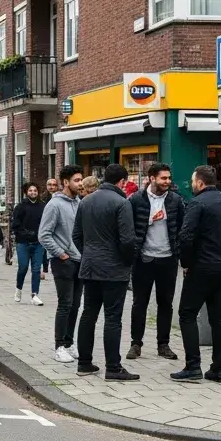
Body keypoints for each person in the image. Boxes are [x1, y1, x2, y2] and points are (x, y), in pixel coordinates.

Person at [172, 165, 221, 383]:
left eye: (193, 182)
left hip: (201, 266)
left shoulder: (197, 203)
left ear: (200, 183)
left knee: (187, 313)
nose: (192, 185)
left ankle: (193, 366)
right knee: (218, 317)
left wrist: (187, 263)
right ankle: (218, 369)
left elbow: (185, 236)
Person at [72, 163, 137, 382]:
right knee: (113, 317)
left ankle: (84, 362)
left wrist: (88, 253)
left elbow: (76, 235)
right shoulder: (122, 203)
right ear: (122, 181)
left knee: (88, 314)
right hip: (114, 270)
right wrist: (128, 261)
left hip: (89, 267)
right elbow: (127, 240)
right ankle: (113, 367)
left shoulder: (86, 201)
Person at [126, 163, 184, 361]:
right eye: (163, 178)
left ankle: (163, 344)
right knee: (139, 303)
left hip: (168, 258)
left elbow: (182, 228)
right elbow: (129, 228)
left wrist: (181, 257)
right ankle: (136, 343)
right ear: (152, 178)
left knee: (165, 303)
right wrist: (151, 219)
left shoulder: (176, 200)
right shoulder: (136, 200)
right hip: (144, 259)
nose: (167, 181)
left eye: (169, 178)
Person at [39, 165, 83, 363]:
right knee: (65, 304)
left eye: (81, 179)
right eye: (76, 180)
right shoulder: (54, 205)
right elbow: (44, 234)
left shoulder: (79, 202)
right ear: (65, 182)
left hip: (79, 260)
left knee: (75, 305)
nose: (80, 183)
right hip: (62, 261)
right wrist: (60, 254)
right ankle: (59, 346)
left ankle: (69, 342)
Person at [10, 182, 46, 305]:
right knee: (23, 267)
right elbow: (15, 225)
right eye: (30, 191)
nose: (33, 193)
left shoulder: (43, 206)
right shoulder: (20, 207)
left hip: (38, 243)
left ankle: (34, 294)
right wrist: (26, 233)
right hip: (23, 243)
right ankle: (18, 288)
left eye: (35, 190)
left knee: (36, 269)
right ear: (26, 192)